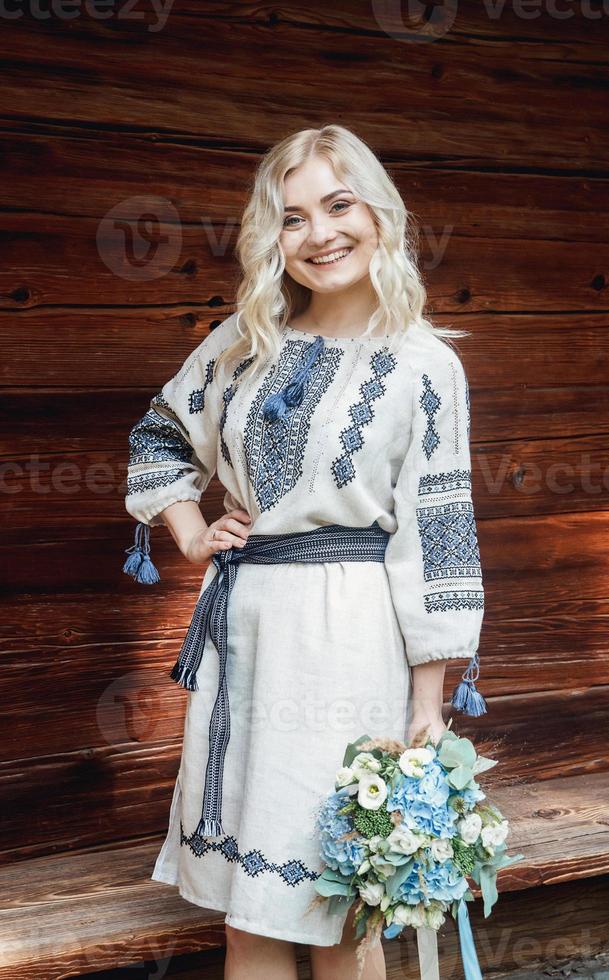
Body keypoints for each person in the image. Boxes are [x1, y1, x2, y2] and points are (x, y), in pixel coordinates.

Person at [122, 124, 485, 980]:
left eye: (338, 204)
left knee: (336, 910)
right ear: (271, 239)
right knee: (249, 920)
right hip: (245, 633)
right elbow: (162, 433)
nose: (319, 234)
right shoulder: (243, 342)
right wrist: (188, 529)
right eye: (292, 218)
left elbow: (437, 528)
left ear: (379, 215)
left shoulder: (424, 366)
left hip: (350, 641)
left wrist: (426, 704)